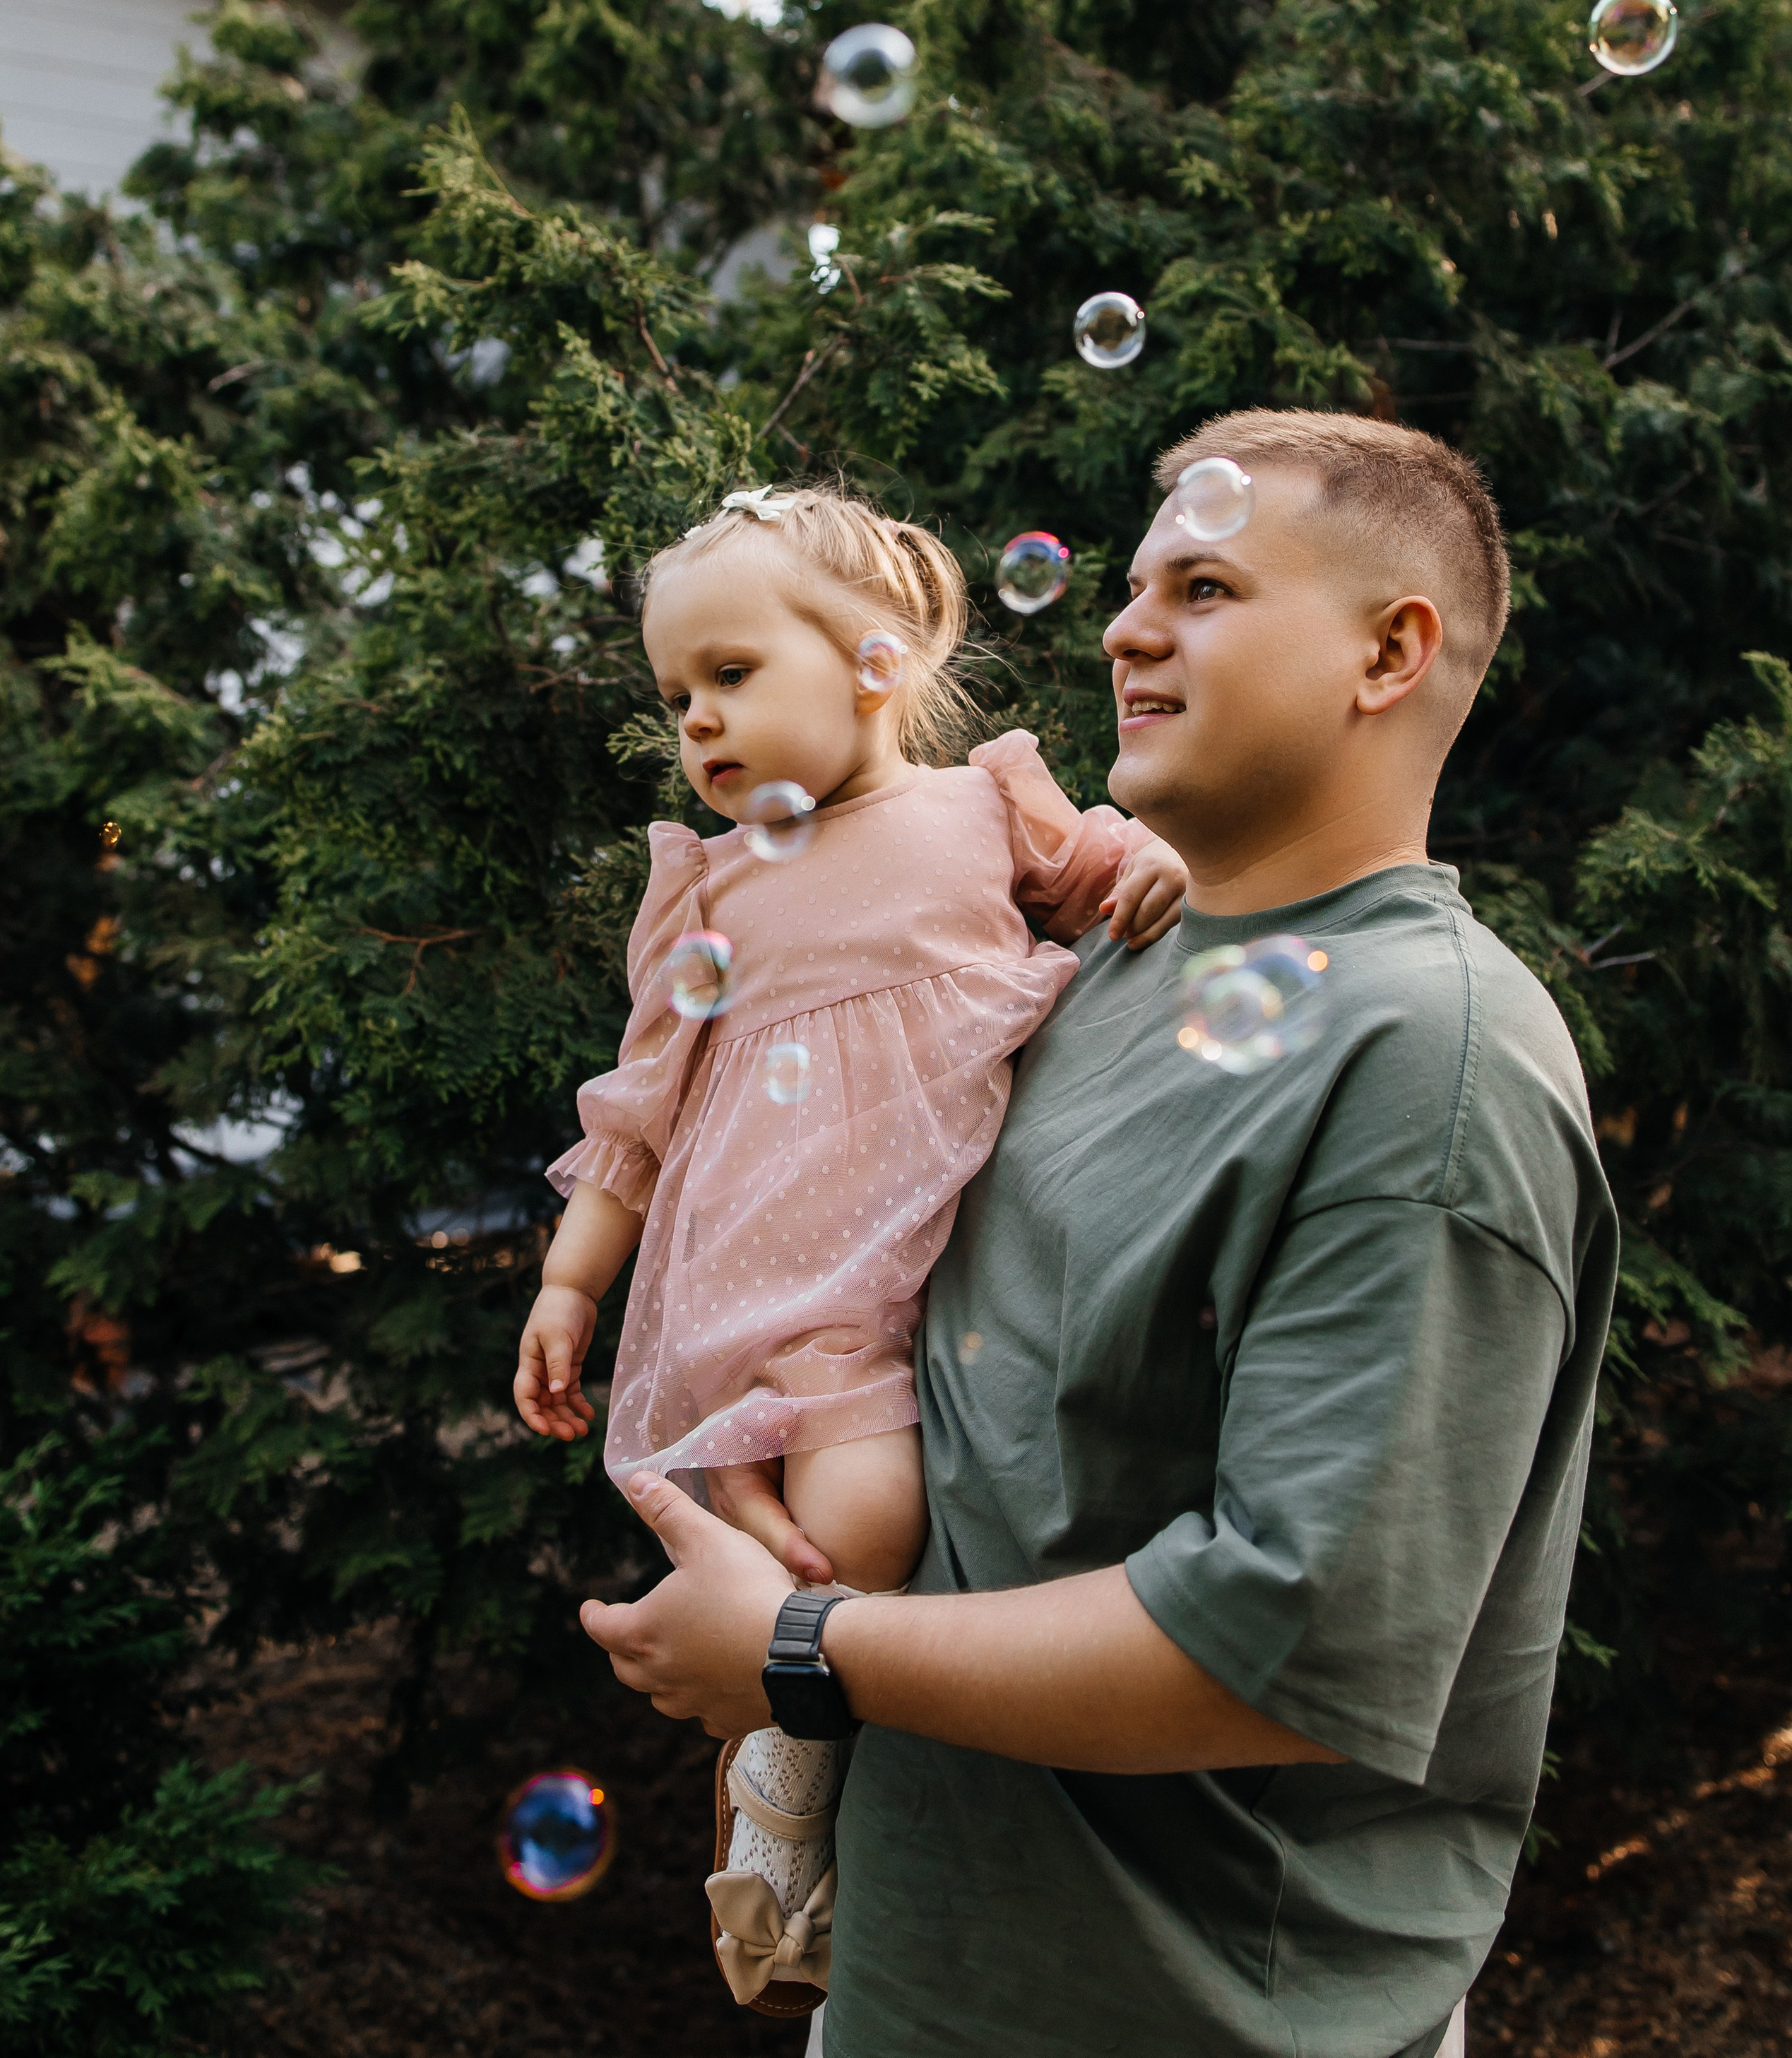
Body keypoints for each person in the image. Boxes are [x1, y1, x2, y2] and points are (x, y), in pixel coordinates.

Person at [578, 408, 1620, 2058]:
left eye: (1202, 587)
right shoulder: (1093, 961)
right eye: (1132, 586)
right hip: (929, 1990)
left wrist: (799, 1649)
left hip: (1181, 2017)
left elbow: (1264, 1650)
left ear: (1386, 652)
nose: (1128, 626)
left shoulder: (1427, 1064)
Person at [512, 482, 1188, 2014]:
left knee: (845, 1541)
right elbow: (635, 1116)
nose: (696, 721)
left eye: (733, 675)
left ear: (876, 666)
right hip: (782, 1287)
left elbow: (1116, 879)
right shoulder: (712, 886)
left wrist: (1160, 866)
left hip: (924, 1270)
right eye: (676, 693)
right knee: (854, 1531)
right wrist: (568, 1282)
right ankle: (783, 1792)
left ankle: (789, 1766)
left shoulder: (981, 809)